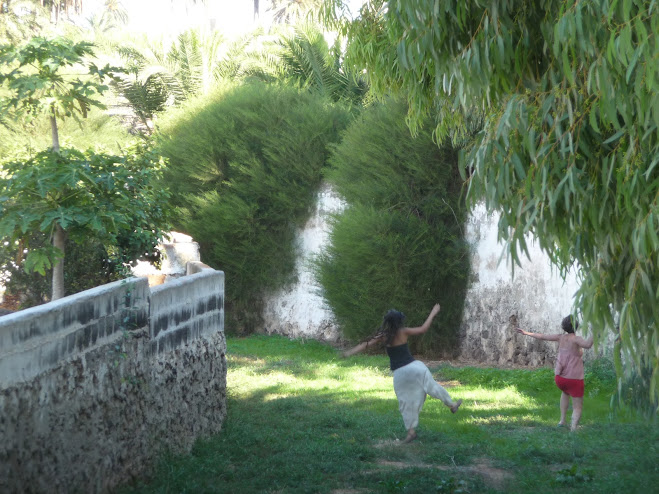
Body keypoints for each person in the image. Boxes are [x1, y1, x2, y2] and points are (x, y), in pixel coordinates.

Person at [343, 303, 462, 443]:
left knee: (405, 402)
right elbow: (423, 329)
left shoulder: (384, 336)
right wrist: (433, 312)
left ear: (387, 322)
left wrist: (348, 353)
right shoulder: (403, 331)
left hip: (400, 373)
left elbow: (365, 344)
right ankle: (451, 404)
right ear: (400, 321)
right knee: (433, 386)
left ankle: (411, 432)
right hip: (416, 367)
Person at [516, 315, 593, 431]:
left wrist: (526, 333)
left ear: (564, 326)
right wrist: (596, 332)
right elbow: (588, 345)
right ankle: (573, 430)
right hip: (574, 379)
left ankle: (562, 421)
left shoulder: (560, 337)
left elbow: (542, 336)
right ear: (576, 326)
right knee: (577, 407)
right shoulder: (576, 339)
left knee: (565, 392)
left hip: (560, 379)